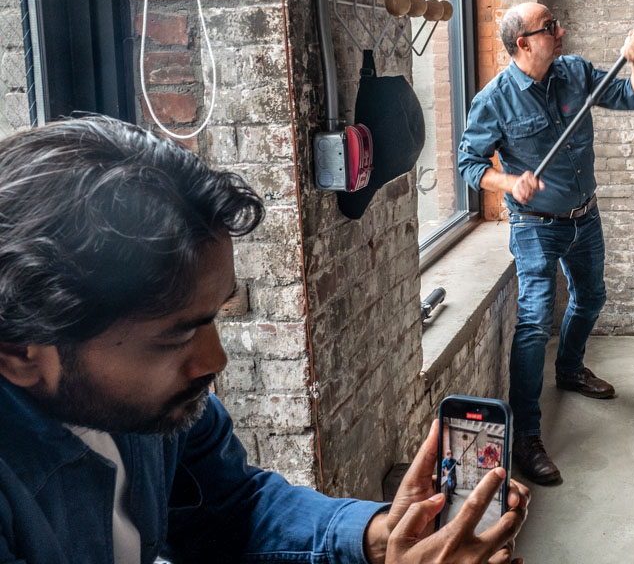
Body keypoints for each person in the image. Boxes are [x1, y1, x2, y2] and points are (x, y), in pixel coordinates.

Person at [0, 115, 529, 563]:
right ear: (21, 350)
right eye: (172, 338)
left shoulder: (156, 401)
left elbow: (232, 507)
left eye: (213, 316)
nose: (214, 359)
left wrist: (378, 533)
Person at [458, 3, 634, 485]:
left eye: (557, 22)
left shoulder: (574, 72)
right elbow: (469, 164)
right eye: (550, 27)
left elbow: (633, 98)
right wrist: (509, 183)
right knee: (534, 322)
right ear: (524, 43)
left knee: (592, 297)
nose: (561, 31)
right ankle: (526, 437)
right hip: (534, 226)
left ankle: (569, 369)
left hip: (584, 215)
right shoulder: (494, 100)